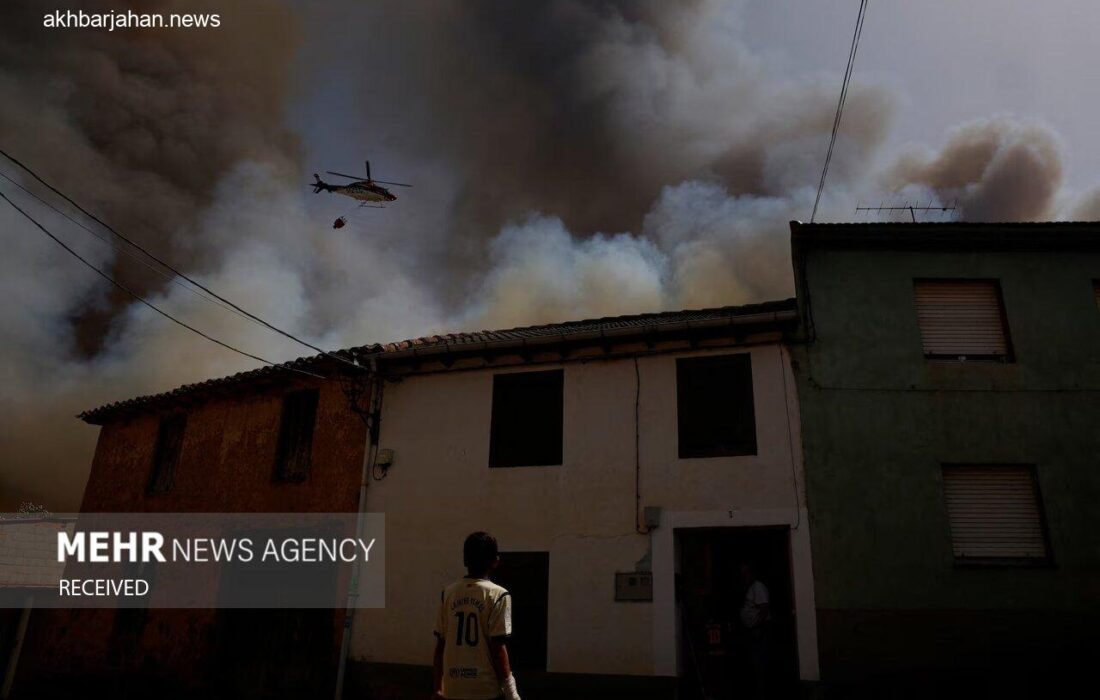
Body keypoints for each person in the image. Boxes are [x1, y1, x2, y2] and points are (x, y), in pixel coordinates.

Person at [432, 532, 521, 700]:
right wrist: (511, 692)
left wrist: (438, 687)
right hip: (484, 689)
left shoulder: (448, 593)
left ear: (465, 560)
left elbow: (440, 646)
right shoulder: (498, 595)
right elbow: (498, 648)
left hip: (453, 689)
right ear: (495, 561)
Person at [738, 561, 771, 698]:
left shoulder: (758, 587)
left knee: (759, 661)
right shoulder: (750, 588)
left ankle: (761, 690)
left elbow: (764, 608)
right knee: (754, 660)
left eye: (746, 573)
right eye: (742, 574)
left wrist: (758, 626)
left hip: (758, 630)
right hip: (752, 630)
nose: (744, 576)